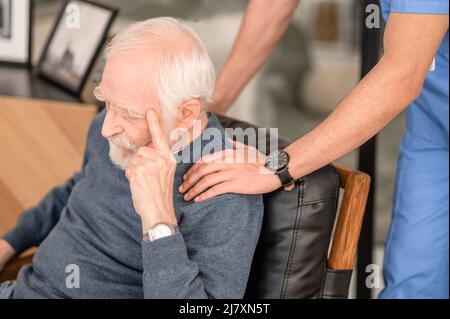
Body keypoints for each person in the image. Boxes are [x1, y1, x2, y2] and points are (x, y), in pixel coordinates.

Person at [179, 0, 449, 298]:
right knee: (411, 286)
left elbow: (401, 75)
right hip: (434, 126)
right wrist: (207, 115)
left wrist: (276, 167)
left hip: (420, 94)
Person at [0, 17, 263, 299]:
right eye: (106, 101)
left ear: (186, 114)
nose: (106, 127)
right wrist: (9, 243)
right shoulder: (111, 130)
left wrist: (158, 219)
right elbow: (78, 189)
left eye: (128, 113)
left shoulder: (226, 192)